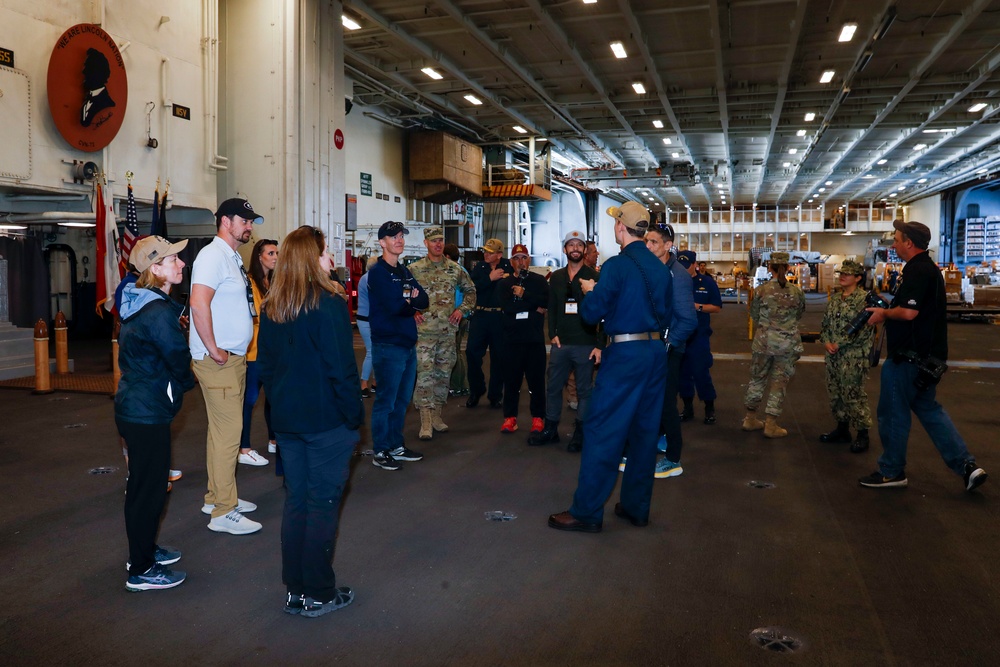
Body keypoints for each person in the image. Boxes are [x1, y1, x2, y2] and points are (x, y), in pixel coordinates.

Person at [257, 226, 361, 617]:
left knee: (297, 504)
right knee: (321, 506)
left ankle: (297, 590)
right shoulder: (328, 303)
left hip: (288, 422)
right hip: (326, 423)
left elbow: (266, 369)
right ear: (310, 258)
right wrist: (354, 418)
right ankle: (318, 591)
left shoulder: (272, 305)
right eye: (324, 252)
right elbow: (341, 369)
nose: (329, 257)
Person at [549, 201, 671, 533]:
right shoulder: (661, 267)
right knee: (644, 433)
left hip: (626, 355)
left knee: (603, 430)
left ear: (620, 227)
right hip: (656, 352)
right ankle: (636, 507)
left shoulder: (616, 266)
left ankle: (586, 512)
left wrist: (591, 291)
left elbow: (590, 316)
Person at [859, 221, 988, 491]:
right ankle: (967, 466)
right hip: (928, 360)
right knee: (930, 411)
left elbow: (909, 313)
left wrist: (883, 313)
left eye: (896, 240)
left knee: (893, 414)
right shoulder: (928, 270)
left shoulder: (918, 270)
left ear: (909, 243)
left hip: (908, 359)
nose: (893, 245)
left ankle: (892, 471)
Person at [116, 235, 193, 591]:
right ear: (155, 269)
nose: (180, 264)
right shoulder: (158, 312)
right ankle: (142, 569)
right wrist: (185, 383)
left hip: (136, 406)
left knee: (143, 487)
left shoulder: (141, 304)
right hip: (145, 412)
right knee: (148, 491)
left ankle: (144, 551)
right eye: (172, 260)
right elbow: (177, 357)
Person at [189, 197, 264, 535]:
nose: (249, 226)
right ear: (225, 221)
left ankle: (215, 496)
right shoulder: (212, 256)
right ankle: (223, 512)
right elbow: (197, 302)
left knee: (221, 434)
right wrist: (213, 348)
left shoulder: (231, 256)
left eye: (251, 221)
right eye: (244, 221)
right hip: (217, 360)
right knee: (230, 434)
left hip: (232, 359)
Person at [529, 230, 600, 452]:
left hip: (586, 343)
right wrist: (553, 334)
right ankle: (550, 429)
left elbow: (604, 312)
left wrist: (600, 344)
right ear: (565, 249)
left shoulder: (595, 277)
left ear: (585, 250)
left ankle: (580, 432)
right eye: (571, 245)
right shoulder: (557, 277)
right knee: (553, 387)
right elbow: (553, 307)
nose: (576, 249)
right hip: (561, 344)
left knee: (584, 390)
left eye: (579, 245)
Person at [368, 221, 429, 470]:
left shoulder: (404, 271)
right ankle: (380, 449)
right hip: (388, 345)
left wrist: (410, 302)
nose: (399, 240)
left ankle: (395, 445)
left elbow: (423, 300)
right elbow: (394, 307)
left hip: (407, 344)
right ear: (382, 242)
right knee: (386, 400)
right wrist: (409, 301)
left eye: (401, 236)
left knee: (402, 400)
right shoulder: (378, 272)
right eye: (393, 236)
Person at [409, 227, 477, 440]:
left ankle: (437, 415)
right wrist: (410, 311)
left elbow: (471, 291)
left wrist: (462, 310)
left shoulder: (455, 269)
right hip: (424, 333)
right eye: (433, 241)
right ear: (425, 243)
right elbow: (402, 294)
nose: (437, 244)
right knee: (425, 375)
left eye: (440, 240)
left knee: (443, 375)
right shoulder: (414, 269)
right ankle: (426, 421)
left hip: (448, 333)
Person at [640, 225, 696, 479]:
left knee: (665, 404)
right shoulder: (654, 269)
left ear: (667, 245)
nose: (648, 246)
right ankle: (658, 441)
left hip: (669, 349)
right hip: (653, 346)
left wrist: (668, 343)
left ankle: (673, 458)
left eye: (653, 242)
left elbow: (688, 320)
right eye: (646, 241)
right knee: (652, 401)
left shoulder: (678, 275)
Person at [742, 251, 805, 438]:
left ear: (769, 267)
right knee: (779, 383)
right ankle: (770, 424)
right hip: (786, 344)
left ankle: (750, 418)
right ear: (787, 267)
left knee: (757, 379)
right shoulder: (796, 292)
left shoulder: (761, 290)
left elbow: (754, 314)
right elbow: (799, 314)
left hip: (763, 342)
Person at [818, 259, 876, 453]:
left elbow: (864, 332)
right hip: (833, 356)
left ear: (858, 278)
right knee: (835, 393)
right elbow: (825, 324)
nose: (842, 277)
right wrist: (826, 341)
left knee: (853, 395)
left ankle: (862, 433)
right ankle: (842, 429)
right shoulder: (835, 299)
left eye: (847, 274)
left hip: (853, 357)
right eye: (841, 273)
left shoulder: (865, 301)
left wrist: (838, 343)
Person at [497, 244, 549, 435]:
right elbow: (507, 308)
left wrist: (525, 295)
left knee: (536, 382)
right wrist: (532, 307)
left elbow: (545, 302)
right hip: (511, 340)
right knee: (511, 382)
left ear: (529, 260)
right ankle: (510, 418)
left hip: (534, 340)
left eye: (524, 258)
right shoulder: (504, 283)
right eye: (517, 258)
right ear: (511, 262)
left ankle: (538, 418)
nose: (521, 262)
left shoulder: (539, 281)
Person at [241, 239, 278, 461]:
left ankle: (274, 440)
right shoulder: (249, 281)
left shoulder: (273, 281)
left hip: (272, 352)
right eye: (270, 253)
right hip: (253, 352)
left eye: (276, 253)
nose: (275, 257)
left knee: (273, 398)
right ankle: (244, 448)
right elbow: (255, 314)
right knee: (249, 401)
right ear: (259, 256)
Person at [466, 238, 513, 408]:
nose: (486, 254)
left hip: (500, 317)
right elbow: (471, 287)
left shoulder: (509, 266)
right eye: (485, 251)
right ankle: (476, 389)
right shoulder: (480, 268)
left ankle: (495, 394)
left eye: (490, 252)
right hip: (481, 315)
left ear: (499, 254)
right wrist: (490, 279)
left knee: (499, 357)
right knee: (472, 353)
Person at [677, 251, 722, 425]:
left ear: (695, 265)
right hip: (680, 336)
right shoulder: (675, 282)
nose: (684, 270)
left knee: (701, 372)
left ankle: (709, 407)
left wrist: (698, 306)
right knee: (683, 374)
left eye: (687, 266)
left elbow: (717, 307)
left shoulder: (707, 283)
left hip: (699, 336)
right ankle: (687, 408)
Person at [443, 243, 472, 397]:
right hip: (462, 317)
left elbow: (455, 298)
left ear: (447, 256)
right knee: (456, 352)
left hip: (455, 318)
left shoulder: (453, 272)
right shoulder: (463, 271)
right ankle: (461, 386)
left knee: (453, 353)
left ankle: (457, 386)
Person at [356, 256, 379, 398]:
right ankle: (364, 384)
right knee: (372, 351)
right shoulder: (371, 279)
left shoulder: (365, 278)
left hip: (366, 318)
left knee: (375, 351)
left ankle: (374, 382)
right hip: (367, 319)